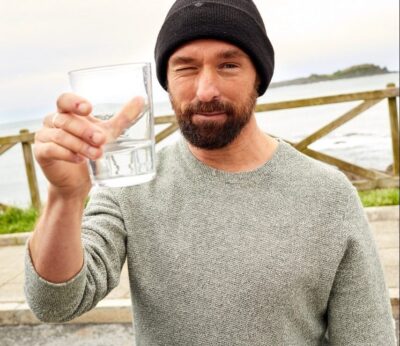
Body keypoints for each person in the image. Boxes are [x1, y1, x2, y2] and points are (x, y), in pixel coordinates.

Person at [25, 0, 396, 345]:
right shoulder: (131, 189)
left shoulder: (328, 194)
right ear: (165, 81)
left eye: (228, 65)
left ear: (259, 77)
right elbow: (54, 303)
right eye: (186, 68)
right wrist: (65, 197)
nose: (205, 90)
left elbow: (368, 338)